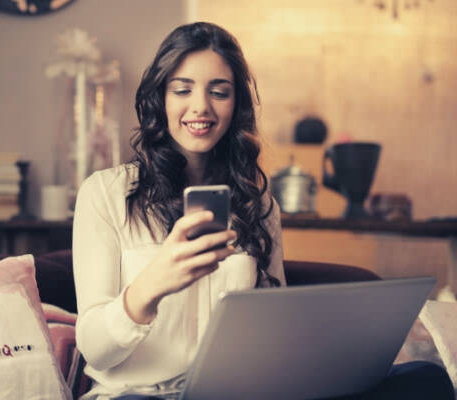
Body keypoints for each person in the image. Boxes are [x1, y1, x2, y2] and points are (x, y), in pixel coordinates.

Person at [72, 22, 454, 400]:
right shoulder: (106, 194)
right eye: (182, 89)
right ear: (161, 98)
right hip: (138, 395)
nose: (200, 106)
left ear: (236, 103)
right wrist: (149, 288)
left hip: (237, 393)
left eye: (219, 92)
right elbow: (95, 347)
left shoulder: (257, 202)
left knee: (425, 378)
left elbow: (274, 324)